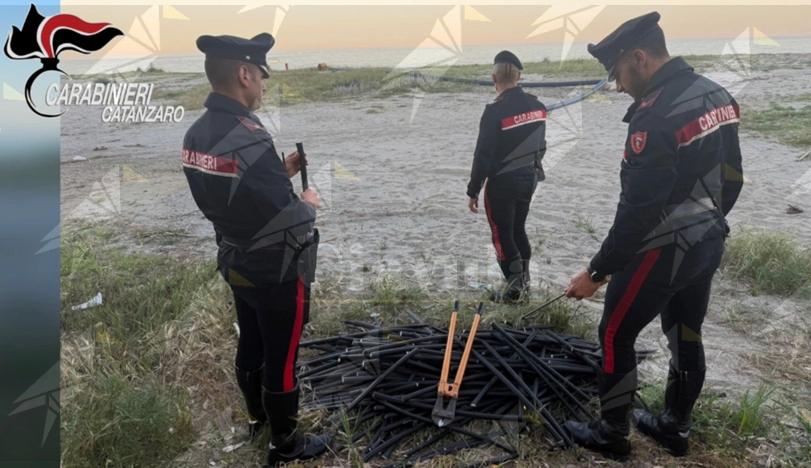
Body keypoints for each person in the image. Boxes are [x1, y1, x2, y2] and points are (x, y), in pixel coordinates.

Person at [562, 12, 744, 458]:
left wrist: (597, 272)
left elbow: (637, 213)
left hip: (661, 249)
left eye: (618, 73)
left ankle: (611, 434)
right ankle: (674, 427)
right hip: (707, 239)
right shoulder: (715, 93)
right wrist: (709, 222)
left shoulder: (655, 116)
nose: (618, 86)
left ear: (639, 58)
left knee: (614, 335)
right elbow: (734, 177)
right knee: (686, 333)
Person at [182, 32, 328, 465]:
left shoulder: (196, 134)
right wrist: (307, 203)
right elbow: (284, 215)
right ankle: (285, 442)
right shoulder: (248, 135)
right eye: (261, 75)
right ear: (244, 73)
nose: (264, 84)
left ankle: (256, 418)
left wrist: (277, 171)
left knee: (250, 342)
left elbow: (230, 194)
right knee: (281, 354)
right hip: (277, 268)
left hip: (235, 260)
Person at [466, 50, 547, 303]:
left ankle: (513, 292)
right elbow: (541, 146)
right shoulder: (538, 106)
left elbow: (483, 154)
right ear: (519, 76)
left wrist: (473, 189)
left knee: (502, 235)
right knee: (518, 230)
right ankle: (524, 285)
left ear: (494, 78)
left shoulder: (494, 111)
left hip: (503, 182)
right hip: (529, 178)